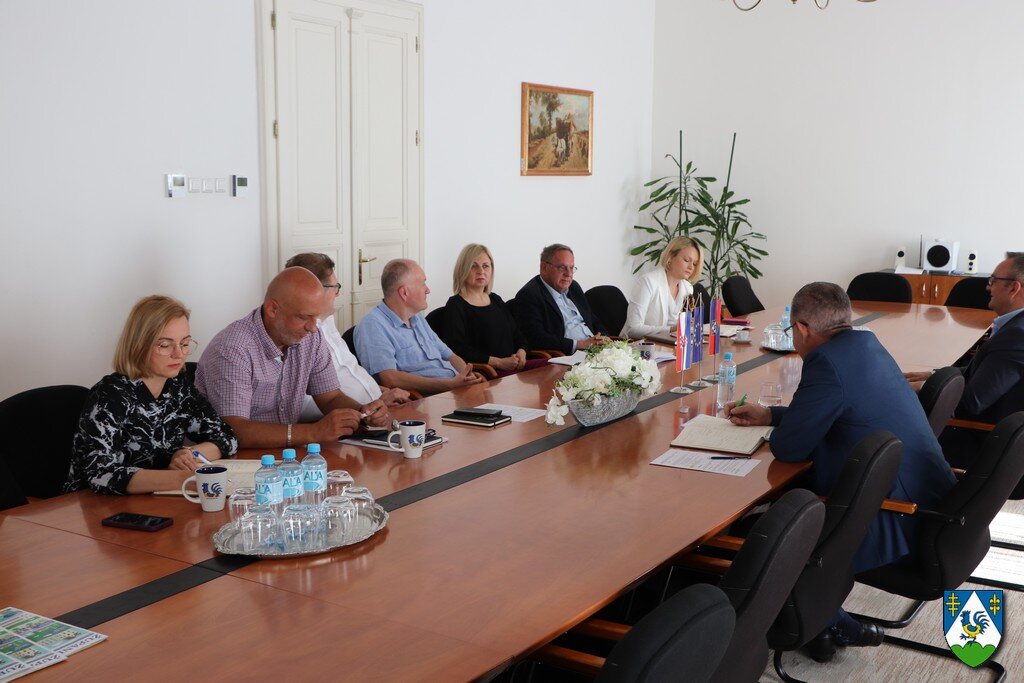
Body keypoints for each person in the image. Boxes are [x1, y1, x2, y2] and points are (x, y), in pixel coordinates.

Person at [725, 282, 956, 659]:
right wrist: (770, 415)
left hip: (896, 516)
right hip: (931, 498)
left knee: (772, 528)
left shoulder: (826, 364)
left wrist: (780, 427)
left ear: (802, 329)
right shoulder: (867, 345)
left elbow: (790, 447)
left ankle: (823, 622)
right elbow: (846, 410)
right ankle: (829, 622)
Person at [197, 267, 389, 449]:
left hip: (287, 456)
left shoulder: (310, 337)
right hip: (234, 461)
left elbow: (330, 397)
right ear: (273, 309)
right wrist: (313, 432)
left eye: (316, 317)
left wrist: (363, 413)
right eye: (304, 317)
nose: (313, 327)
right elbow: (234, 429)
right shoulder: (233, 349)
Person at [64, 296, 238, 495]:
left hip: (154, 498)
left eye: (185, 343)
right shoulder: (111, 394)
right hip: (91, 506)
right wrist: (183, 479)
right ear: (139, 344)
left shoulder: (178, 386)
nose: (179, 354)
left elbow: (227, 437)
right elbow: (100, 474)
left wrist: (187, 455)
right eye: (165, 345)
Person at [906, 252, 1024, 465]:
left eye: (994, 281)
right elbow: (983, 373)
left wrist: (926, 386)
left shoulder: (1017, 336)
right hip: (991, 430)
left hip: (982, 441)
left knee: (891, 423)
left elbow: (972, 402)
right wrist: (935, 375)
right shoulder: (1015, 327)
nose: (988, 287)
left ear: (1014, 288)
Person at [284, 253, 411, 422]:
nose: (338, 294)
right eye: (335, 287)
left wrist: (379, 393)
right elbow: (305, 404)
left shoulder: (328, 322)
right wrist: (370, 406)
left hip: (378, 412)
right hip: (350, 424)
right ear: (316, 290)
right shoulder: (300, 335)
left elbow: (350, 375)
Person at [354, 258, 486, 395]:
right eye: (423, 284)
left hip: (453, 392)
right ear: (404, 293)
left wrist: (467, 376)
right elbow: (390, 379)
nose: (427, 290)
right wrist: (449, 385)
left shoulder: (416, 317)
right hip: (426, 401)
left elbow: (450, 356)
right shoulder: (373, 326)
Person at [441, 244, 547, 376]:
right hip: (489, 373)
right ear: (463, 270)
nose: (481, 271)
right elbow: (458, 350)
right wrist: (498, 362)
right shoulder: (456, 305)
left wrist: (521, 352)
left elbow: (517, 334)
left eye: (485, 266)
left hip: (513, 367)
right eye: (473, 266)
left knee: (557, 366)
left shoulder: (495, 299)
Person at [513, 243, 608, 355]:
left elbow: (592, 319)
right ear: (544, 268)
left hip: (596, 350)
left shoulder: (573, 287)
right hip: (569, 356)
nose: (568, 274)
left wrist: (603, 337)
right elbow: (536, 338)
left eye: (571, 268)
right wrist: (579, 345)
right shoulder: (529, 295)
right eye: (562, 267)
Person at [621, 236, 702, 338]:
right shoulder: (647, 282)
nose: (691, 267)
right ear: (670, 257)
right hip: (638, 347)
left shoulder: (688, 288)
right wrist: (672, 329)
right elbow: (632, 329)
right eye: (686, 260)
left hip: (669, 347)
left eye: (695, 264)